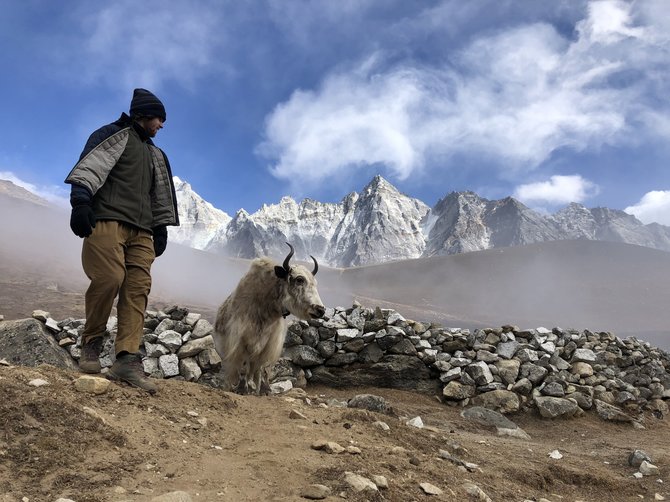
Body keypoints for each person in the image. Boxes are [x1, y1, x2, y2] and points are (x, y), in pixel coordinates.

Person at [64, 88, 180, 394]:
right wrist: (80, 203)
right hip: (107, 221)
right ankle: (91, 343)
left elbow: (159, 195)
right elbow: (89, 169)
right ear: (143, 114)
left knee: (137, 289)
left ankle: (127, 359)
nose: (162, 125)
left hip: (142, 231)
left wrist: (161, 228)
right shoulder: (112, 135)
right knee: (109, 278)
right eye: (159, 118)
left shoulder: (156, 154)